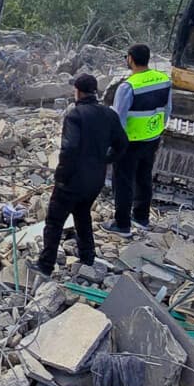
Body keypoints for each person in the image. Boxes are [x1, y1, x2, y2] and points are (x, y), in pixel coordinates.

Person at [36, 74, 128, 277]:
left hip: (73, 180)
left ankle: (45, 265)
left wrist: (61, 176)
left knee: (54, 222)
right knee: (82, 214)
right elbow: (122, 144)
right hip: (95, 179)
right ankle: (87, 256)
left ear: (77, 91)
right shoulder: (109, 114)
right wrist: (106, 160)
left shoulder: (75, 115)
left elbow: (69, 149)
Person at [110, 44, 171, 232]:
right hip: (152, 138)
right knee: (144, 177)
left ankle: (122, 224)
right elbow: (167, 109)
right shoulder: (163, 79)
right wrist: (157, 129)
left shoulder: (128, 86)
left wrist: (114, 143)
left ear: (130, 58)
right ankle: (141, 217)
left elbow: (118, 119)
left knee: (123, 181)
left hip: (131, 142)